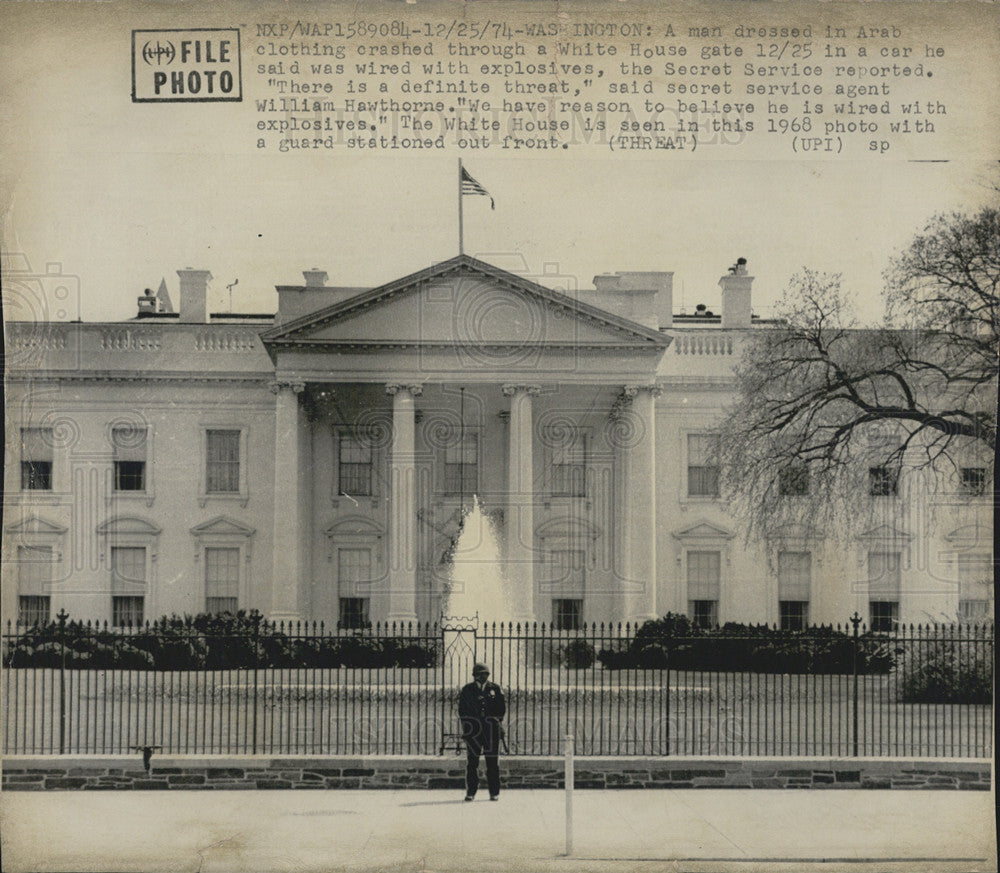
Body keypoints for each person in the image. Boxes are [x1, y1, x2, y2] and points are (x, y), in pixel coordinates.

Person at [458, 662, 506, 801]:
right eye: (479, 674)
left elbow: (501, 709)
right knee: (472, 763)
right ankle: (471, 792)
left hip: (491, 730)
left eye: (485, 674)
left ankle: (494, 792)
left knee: (492, 762)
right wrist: (468, 728)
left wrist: (496, 721)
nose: (482, 677)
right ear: (474, 676)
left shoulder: (495, 689)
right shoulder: (468, 689)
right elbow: (462, 710)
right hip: (473, 731)